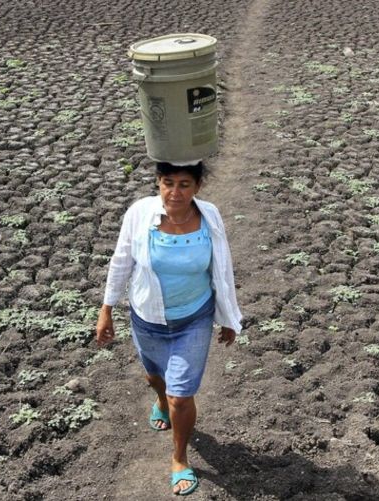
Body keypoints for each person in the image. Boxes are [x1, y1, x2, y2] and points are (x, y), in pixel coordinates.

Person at [95, 161, 243, 496]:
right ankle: (159, 399)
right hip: (147, 318)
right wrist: (107, 309)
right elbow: (121, 261)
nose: (175, 193)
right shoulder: (140, 214)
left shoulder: (209, 218)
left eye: (184, 184)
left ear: (197, 187)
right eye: (167, 183)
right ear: (158, 183)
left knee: (181, 396)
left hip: (194, 318)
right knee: (154, 377)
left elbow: (222, 268)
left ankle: (179, 458)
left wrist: (228, 317)